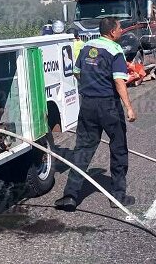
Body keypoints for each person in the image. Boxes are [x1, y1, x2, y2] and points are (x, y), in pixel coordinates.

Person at [55, 18, 137, 212]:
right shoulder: (115, 51)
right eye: (119, 28)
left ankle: (70, 196)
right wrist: (129, 107)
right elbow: (119, 81)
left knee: (82, 149)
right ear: (111, 32)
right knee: (118, 149)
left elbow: (76, 72)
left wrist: (89, 85)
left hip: (88, 105)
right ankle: (118, 196)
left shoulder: (86, 47)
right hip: (108, 105)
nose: (121, 31)